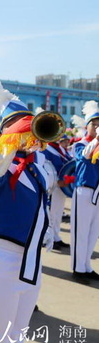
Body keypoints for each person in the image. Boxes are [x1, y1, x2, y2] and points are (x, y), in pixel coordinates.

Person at [0, 77, 56, 343]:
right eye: (16, 123)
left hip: (32, 260)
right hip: (2, 257)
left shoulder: (37, 165)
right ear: (2, 132)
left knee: (16, 339)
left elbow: (42, 204)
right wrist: (8, 144)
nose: (25, 128)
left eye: (27, 122)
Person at [70, 100, 99, 284]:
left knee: (93, 232)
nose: (97, 127)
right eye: (94, 124)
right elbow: (86, 155)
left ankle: (86, 265)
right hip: (84, 191)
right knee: (80, 232)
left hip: (97, 193)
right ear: (86, 126)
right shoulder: (79, 144)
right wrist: (97, 139)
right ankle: (77, 268)